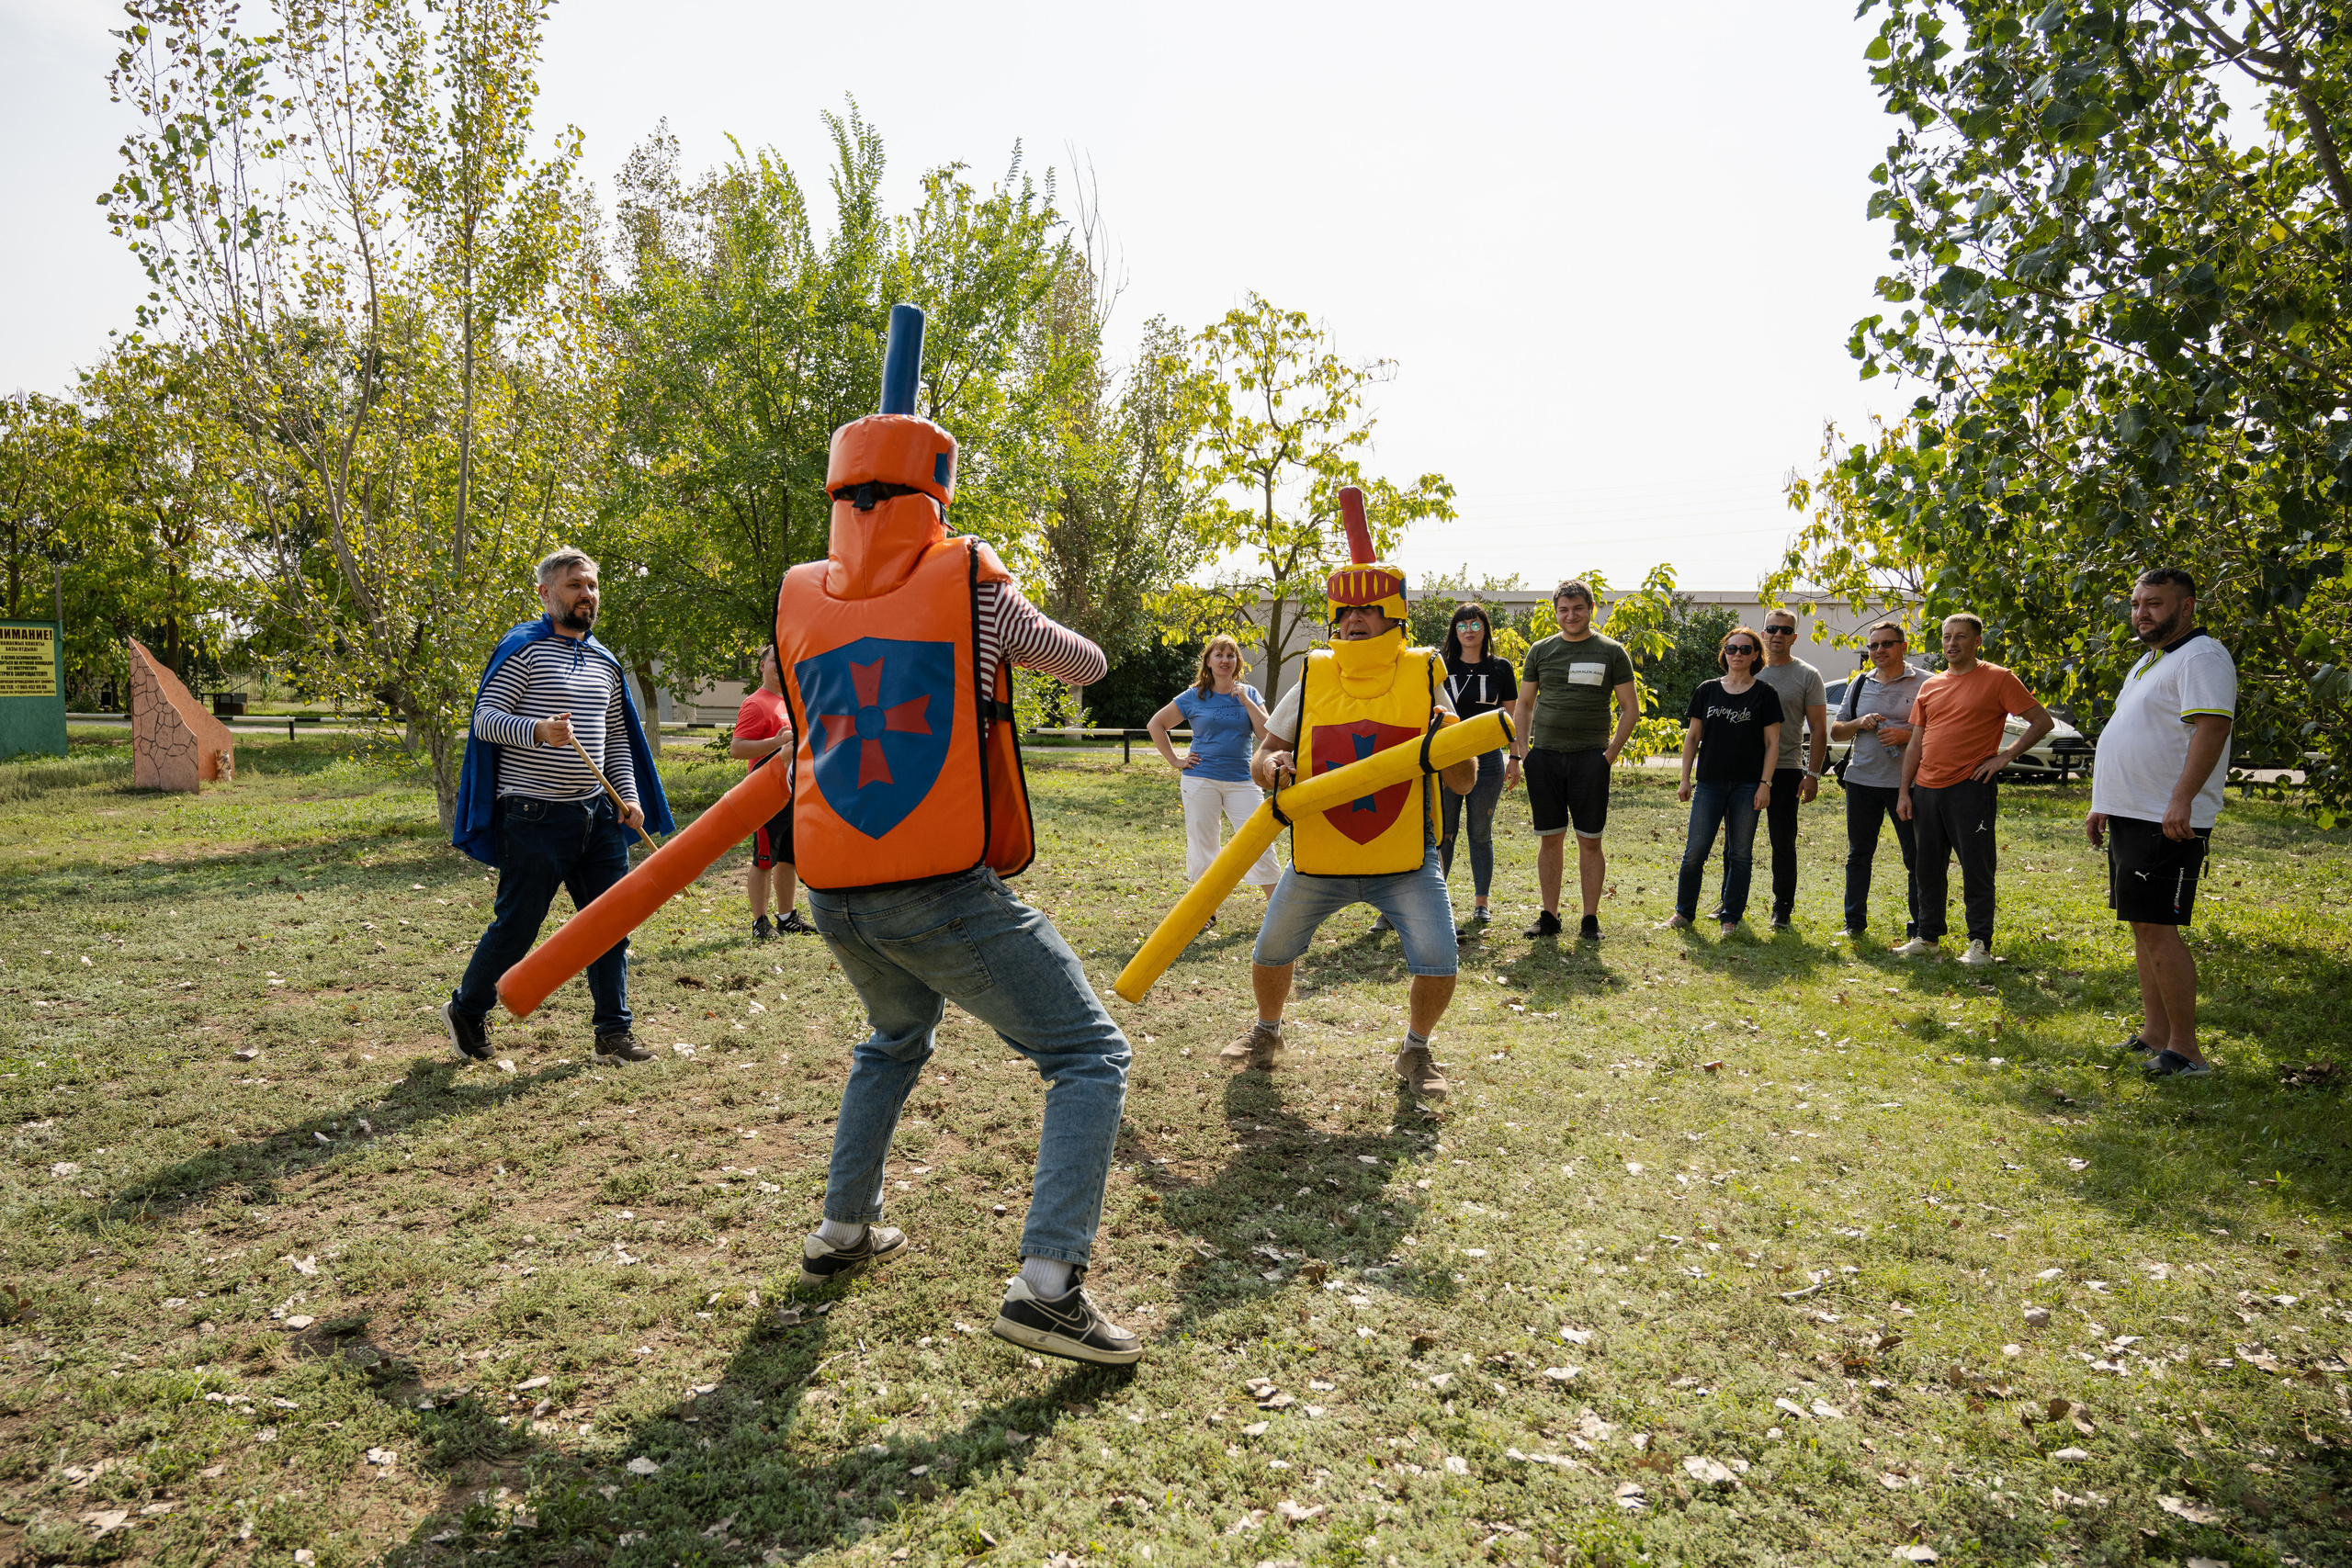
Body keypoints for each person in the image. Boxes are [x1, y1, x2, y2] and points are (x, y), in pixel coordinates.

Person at [775, 325, 1141, 1366]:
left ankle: (845, 1230)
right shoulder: (973, 579)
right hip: (934, 887)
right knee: (1088, 1055)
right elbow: (1083, 662)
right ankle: (1049, 1288)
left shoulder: (799, 592)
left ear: (843, 491)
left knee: (893, 1039)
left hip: (834, 887)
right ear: (934, 485)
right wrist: (1000, 592)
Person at [1223, 553, 1479, 1100]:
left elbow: (1463, 781)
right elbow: (1265, 753)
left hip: (1406, 856)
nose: (1355, 619)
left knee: (1439, 959)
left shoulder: (1426, 673)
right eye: (1347, 610)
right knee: (1269, 950)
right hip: (1320, 855)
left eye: (1369, 608)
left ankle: (1416, 1049)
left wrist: (1452, 738)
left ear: (1394, 616)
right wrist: (1269, 768)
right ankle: (1266, 1033)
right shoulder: (1315, 673)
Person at [445, 548, 674, 1066]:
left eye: (591, 586)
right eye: (574, 586)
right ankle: (467, 1009)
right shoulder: (523, 650)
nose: (586, 595)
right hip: (532, 818)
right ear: (546, 594)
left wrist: (630, 797)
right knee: (517, 927)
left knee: (610, 923)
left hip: (596, 816)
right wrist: (539, 731)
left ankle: (613, 1034)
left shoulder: (604, 661)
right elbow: (485, 720)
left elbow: (616, 741)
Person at [2086, 568, 2235, 1078]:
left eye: (2153, 603)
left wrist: (2182, 801)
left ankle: (2188, 1052)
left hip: (2166, 819)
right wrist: (2103, 799)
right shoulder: (2150, 662)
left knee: (2159, 926)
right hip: (2132, 813)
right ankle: (2155, 1032)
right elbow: (2135, 734)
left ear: (2187, 607)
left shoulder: (2202, 656)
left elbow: (2212, 729)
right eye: (2136, 604)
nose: (2141, 613)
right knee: (2142, 924)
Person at [1894, 613, 2055, 965]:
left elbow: (2041, 721)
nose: (1952, 643)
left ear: (1978, 641)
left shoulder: (1999, 678)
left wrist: (2005, 756)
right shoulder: (1931, 685)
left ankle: (1979, 944)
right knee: (1927, 867)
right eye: (1947, 636)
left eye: (1961, 637)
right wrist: (1905, 792)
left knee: (1976, 867)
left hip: (1970, 788)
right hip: (1926, 790)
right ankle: (1927, 937)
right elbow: (1916, 745)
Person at [1508, 581, 1638, 941]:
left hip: (1589, 760)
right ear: (1556, 612)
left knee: (1590, 840)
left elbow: (1630, 709)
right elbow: (1524, 704)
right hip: (1545, 758)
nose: (1571, 615)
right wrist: (1524, 753)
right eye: (1563, 609)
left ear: (1591, 608)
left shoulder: (1611, 651)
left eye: (1577, 608)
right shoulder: (1541, 649)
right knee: (1550, 838)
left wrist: (1608, 756)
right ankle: (1549, 916)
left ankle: (1589, 919)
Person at [1146, 634, 1278, 921]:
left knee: (1258, 839)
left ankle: (1278, 909)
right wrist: (1175, 760)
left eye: (1230, 655)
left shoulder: (1250, 694)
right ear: (1208, 660)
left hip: (1243, 780)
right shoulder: (1194, 695)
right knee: (1204, 844)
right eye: (1218, 655)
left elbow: (1266, 735)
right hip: (1200, 779)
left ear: (1237, 662)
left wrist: (1244, 700)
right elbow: (1156, 724)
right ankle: (1207, 910)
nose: (1224, 660)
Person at [1668, 627, 1781, 932]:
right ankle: (1683, 913)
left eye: (1746, 650)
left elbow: (1772, 744)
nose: (1738, 655)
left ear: (1757, 655)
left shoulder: (1766, 694)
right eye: (1732, 649)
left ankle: (1730, 917)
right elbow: (1692, 738)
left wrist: (1764, 784)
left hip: (1747, 786)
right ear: (1724, 653)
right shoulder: (1707, 689)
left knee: (1740, 853)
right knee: (1695, 852)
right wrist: (1685, 779)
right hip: (1709, 784)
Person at [1827, 620, 1928, 942]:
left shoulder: (1927, 683)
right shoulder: (1859, 683)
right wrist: (1860, 722)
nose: (1879, 650)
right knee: (1859, 854)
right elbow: (1837, 731)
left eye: (1886, 644)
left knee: (1916, 858)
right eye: (1873, 646)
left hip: (1909, 786)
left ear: (1904, 646)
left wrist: (1905, 734)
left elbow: (1942, 731)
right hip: (1862, 782)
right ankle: (1853, 923)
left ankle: (1921, 929)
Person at [1437, 603, 1518, 936]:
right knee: (1444, 832)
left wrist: (1515, 758)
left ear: (1485, 629)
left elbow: (1511, 718)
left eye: (1475, 624)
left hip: (1487, 759)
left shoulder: (1501, 668)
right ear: (1454, 632)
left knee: (1480, 832)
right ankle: (1436, 901)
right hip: (1448, 757)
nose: (1468, 630)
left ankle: (1481, 903)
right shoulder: (1442, 667)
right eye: (1461, 625)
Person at [730, 644, 814, 937]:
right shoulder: (756, 703)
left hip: (792, 793)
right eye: (773, 660)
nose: (780, 665)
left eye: (784, 661)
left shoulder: (790, 702)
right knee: (764, 859)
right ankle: (759, 922)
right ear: (762, 666)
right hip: (765, 795)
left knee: (788, 858)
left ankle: (787, 916)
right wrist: (777, 744)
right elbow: (737, 748)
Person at [1753, 609, 1829, 930]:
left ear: (1794, 637)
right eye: (1771, 629)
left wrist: (1812, 775)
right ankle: (1731, 902)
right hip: (1744, 771)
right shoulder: (1747, 667)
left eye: (1785, 631)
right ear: (1763, 633)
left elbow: (1820, 730)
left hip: (1785, 769)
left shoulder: (1807, 675)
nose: (1777, 635)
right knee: (1737, 843)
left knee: (1782, 842)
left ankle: (1782, 907)